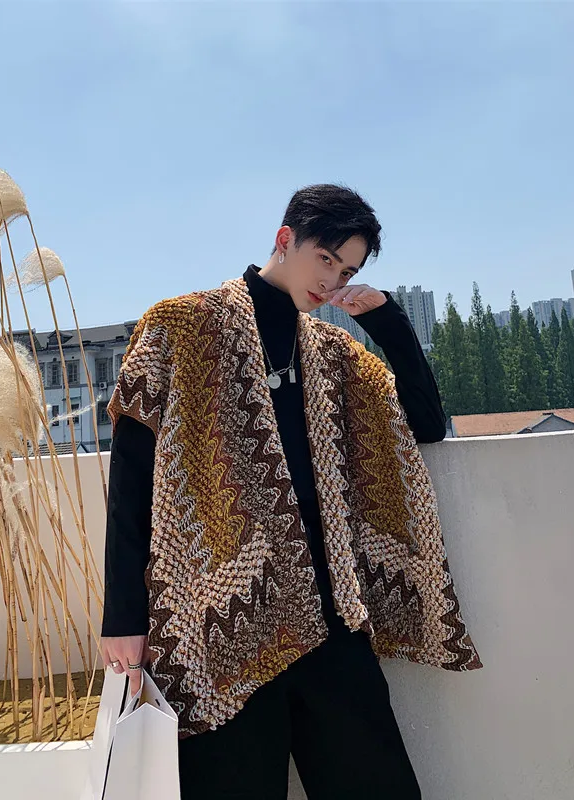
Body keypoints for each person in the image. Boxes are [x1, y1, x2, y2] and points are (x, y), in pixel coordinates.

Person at [100, 184, 481, 799]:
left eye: (347, 271)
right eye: (325, 259)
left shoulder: (332, 354)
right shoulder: (180, 327)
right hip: (223, 626)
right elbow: (131, 479)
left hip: (331, 621)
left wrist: (386, 319)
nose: (332, 281)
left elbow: (426, 422)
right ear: (286, 239)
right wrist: (123, 616)